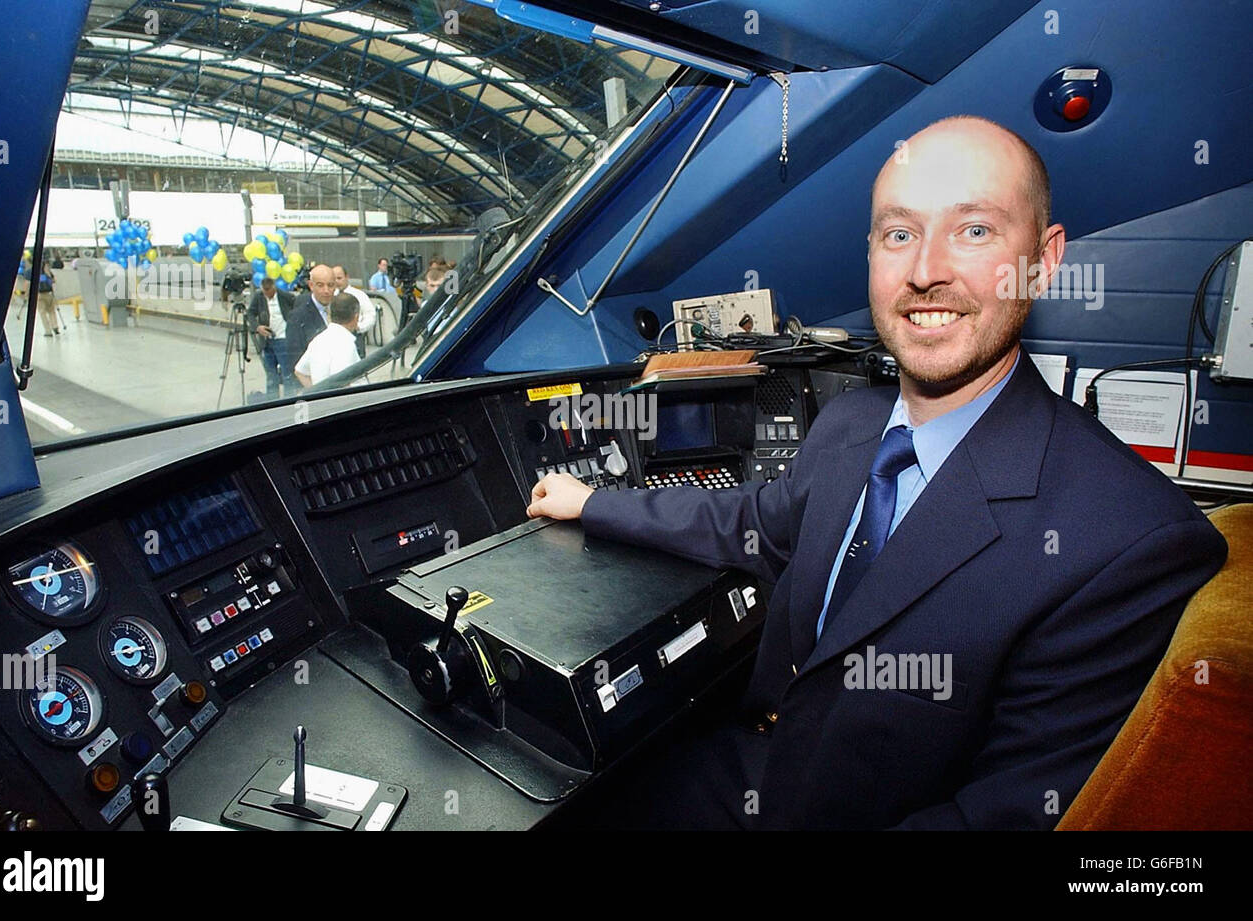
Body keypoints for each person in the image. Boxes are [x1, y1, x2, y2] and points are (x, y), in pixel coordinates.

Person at [526, 115, 1229, 830]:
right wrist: (594, 504)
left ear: (1044, 260)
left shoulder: (1128, 543)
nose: (926, 270)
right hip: (748, 768)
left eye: (975, 230)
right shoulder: (851, 424)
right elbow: (751, 520)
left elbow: (999, 819)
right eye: (898, 234)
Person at [284, 264, 337, 387]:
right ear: (311, 285)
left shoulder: (341, 309)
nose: (326, 290)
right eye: (320, 285)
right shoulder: (297, 317)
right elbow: (294, 360)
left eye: (330, 285)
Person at [293, 292, 360, 387]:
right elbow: (340, 383)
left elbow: (300, 372)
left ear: (330, 314)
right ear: (356, 317)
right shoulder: (345, 345)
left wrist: (316, 395)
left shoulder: (318, 340)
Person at [247, 276, 296, 398]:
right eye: (265, 293)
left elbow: (296, 309)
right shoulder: (259, 297)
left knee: (287, 373)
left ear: (274, 288)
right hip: (267, 341)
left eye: (269, 293)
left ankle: (289, 399)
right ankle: (272, 399)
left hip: (283, 339)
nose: (267, 296)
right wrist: (258, 327)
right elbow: (250, 313)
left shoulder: (285, 296)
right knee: (270, 373)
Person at [331, 264, 376, 358]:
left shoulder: (359, 295)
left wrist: (359, 327)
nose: (337, 282)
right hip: (334, 338)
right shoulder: (330, 296)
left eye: (339, 278)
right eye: (334, 279)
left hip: (355, 337)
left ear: (347, 277)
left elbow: (370, 315)